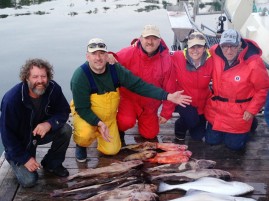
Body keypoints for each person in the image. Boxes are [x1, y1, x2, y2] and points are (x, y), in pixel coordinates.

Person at [70, 37, 191, 162]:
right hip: (87, 114)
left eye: (101, 53)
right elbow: (82, 108)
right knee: (84, 134)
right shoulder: (80, 76)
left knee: (112, 151)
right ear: (87, 57)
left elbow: (139, 85)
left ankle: (101, 134)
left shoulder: (115, 70)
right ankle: (81, 145)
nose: (98, 58)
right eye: (94, 54)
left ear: (107, 56)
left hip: (108, 118)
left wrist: (168, 96)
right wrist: (98, 123)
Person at [0, 58, 72, 188]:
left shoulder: (53, 89)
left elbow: (64, 111)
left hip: (40, 134)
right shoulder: (12, 100)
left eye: (43, 76)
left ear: (48, 77)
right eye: (35, 77)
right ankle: (12, 158)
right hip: (21, 142)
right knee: (29, 181)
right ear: (26, 78)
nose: (40, 81)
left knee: (65, 130)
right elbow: (7, 136)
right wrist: (24, 159)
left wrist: (49, 124)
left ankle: (52, 163)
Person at [204, 29, 269, 151]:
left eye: (233, 46)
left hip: (239, 113)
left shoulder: (254, 62)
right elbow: (196, 58)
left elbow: (263, 89)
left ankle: (251, 123)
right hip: (216, 110)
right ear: (220, 45)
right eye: (225, 46)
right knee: (211, 141)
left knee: (234, 146)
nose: (228, 50)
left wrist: (252, 110)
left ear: (239, 44)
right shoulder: (214, 52)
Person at [113, 25, 177, 144]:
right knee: (125, 122)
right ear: (141, 39)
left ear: (159, 40)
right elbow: (112, 60)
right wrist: (109, 55)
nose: (150, 42)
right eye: (147, 38)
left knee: (150, 134)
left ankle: (142, 122)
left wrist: (166, 113)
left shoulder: (166, 60)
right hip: (129, 100)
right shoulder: (128, 52)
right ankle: (118, 131)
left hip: (150, 105)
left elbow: (170, 87)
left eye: (154, 38)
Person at [172, 31, 213, 141]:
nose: (195, 50)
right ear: (187, 47)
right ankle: (179, 127)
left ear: (205, 48)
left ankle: (192, 121)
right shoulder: (177, 56)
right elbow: (159, 55)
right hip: (183, 99)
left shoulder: (211, 60)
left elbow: (224, 50)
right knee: (191, 119)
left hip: (202, 102)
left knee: (197, 136)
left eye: (199, 46)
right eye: (192, 46)